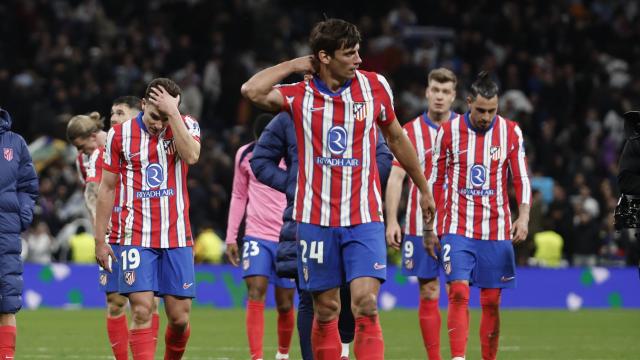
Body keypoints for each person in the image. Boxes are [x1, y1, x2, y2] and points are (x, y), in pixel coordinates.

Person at [241, 18, 436, 359]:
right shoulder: (300, 96)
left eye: (358, 51)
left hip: (363, 217)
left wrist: (423, 187)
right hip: (314, 221)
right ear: (324, 57)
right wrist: (294, 65)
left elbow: (396, 138)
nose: (359, 60)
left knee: (366, 304)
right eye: (350, 53)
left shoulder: (375, 87)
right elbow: (251, 90)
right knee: (327, 308)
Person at [251, 111, 393, 360]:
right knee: (311, 299)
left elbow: (383, 156)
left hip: (356, 218)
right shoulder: (291, 115)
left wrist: (360, 186)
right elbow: (260, 160)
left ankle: (345, 348)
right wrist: (297, 185)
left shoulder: (358, 108)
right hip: (310, 218)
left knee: (358, 297)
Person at [94, 78, 201, 360]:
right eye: (155, 116)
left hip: (177, 236)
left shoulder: (185, 125)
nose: (158, 123)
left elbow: (191, 156)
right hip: (135, 236)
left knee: (179, 319)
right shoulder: (120, 135)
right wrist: (99, 240)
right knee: (142, 310)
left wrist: (172, 114)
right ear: (143, 105)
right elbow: (106, 188)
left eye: (165, 116)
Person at [428, 72, 531, 360]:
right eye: (480, 110)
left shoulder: (511, 132)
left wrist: (523, 217)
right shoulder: (447, 132)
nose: (486, 116)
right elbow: (435, 180)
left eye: (492, 111)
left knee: (491, 302)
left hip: (496, 230)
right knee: (458, 293)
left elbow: (521, 177)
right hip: (456, 227)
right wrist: (431, 224)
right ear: (469, 102)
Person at [67, 99, 161, 360]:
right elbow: (94, 194)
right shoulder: (86, 158)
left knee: (148, 303)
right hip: (113, 232)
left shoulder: (125, 143)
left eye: (82, 144)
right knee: (117, 301)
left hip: (141, 229)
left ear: (92, 135)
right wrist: (101, 233)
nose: (83, 151)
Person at [385, 68, 457, 360]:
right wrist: (391, 220)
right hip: (418, 224)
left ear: (454, 96)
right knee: (428, 292)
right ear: (427, 92)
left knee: (458, 292)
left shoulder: (464, 129)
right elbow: (396, 178)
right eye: (435, 91)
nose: (439, 97)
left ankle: (459, 354)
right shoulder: (409, 131)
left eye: (445, 92)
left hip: (457, 223)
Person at [225, 113, 296, 360]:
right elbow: (238, 195)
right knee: (255, 291)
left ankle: (283, 354)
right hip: (256, 235)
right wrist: (232, 236)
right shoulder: (245, 154)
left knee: (285, 303)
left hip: (288, 235)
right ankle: (256, 357)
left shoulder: (294, 155)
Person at [0, 107, 39, 359]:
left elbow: (28, 186)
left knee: (7, 302)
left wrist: (21, 216)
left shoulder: (15, 142)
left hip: (5, 232)